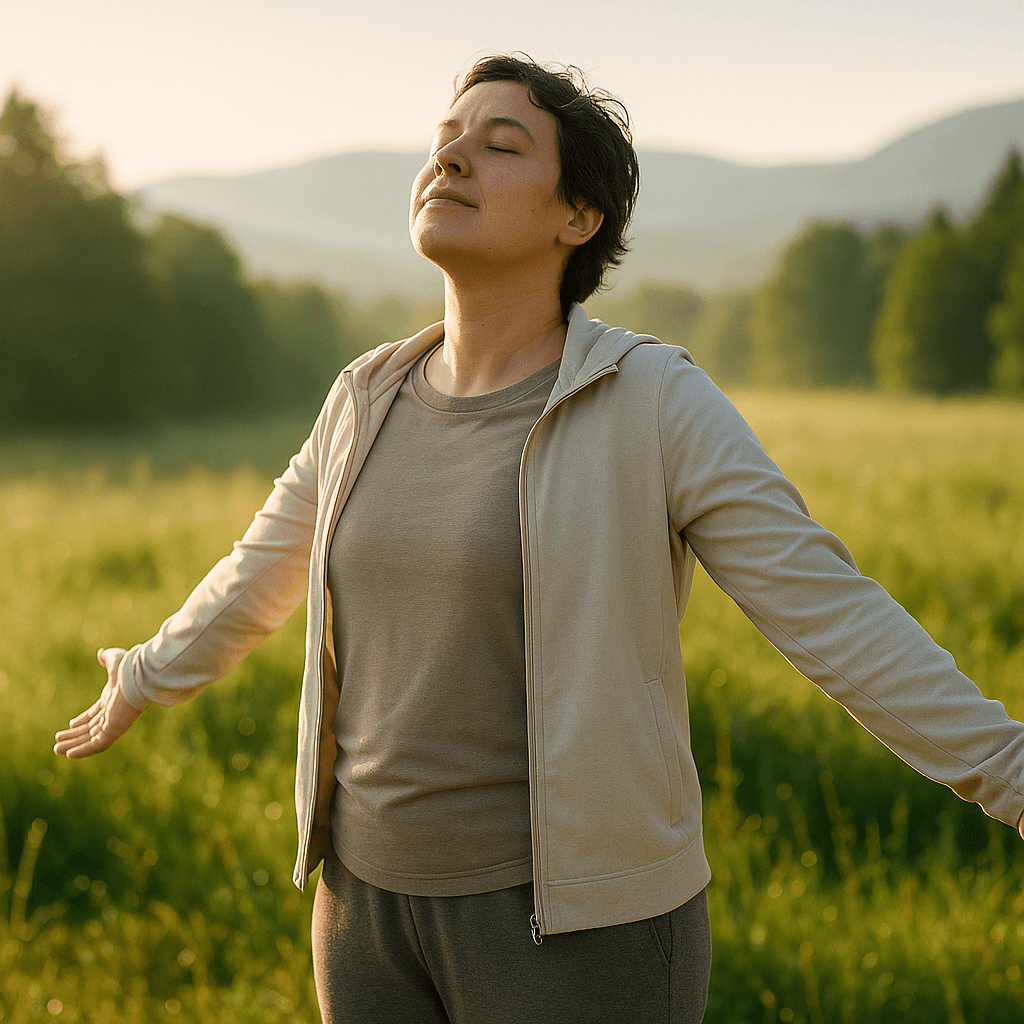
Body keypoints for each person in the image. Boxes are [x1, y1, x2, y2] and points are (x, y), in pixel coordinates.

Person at [54, 54, 1024, 1024]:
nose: (452, 158)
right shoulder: (362, 395)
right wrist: (146, 670)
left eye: (498, 143)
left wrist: (1011, 774)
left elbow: (829, 609)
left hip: (575, 935)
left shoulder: (652, 399)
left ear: (578, 216)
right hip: (363, 913)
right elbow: (260, 569)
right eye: (444, 141)